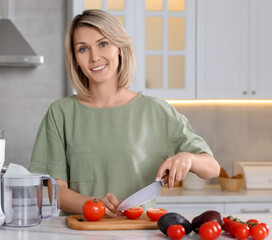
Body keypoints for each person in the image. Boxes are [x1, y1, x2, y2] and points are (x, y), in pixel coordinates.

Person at [28, 9, 220, 217]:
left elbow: (212, 168)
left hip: (140, 233)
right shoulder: (61, 114)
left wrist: (188, 158)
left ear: (119, 48)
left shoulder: (156, 111)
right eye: (83, 49)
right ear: (75, 59)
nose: (94, 57)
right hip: (81, 234)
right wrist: (94, 204)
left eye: (103, 44)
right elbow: (56, 193)